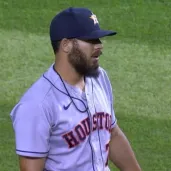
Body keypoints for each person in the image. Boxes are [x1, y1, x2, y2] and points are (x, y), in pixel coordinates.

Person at [10, 7, 141, 171]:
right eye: (91, 40)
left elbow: (112, 134)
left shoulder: (99, 78)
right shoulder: (37, 105)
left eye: (99, 39)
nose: (99, 46)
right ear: (66, 45)